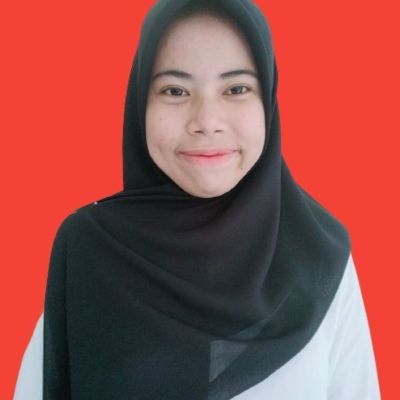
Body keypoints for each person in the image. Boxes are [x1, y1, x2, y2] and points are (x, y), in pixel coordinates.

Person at [14, 0, 381, 399]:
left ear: (268, 101)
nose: (206, 121)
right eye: (175, 90)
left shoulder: (319, 255)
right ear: (140, 103)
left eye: (236, 89)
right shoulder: (91, 250)